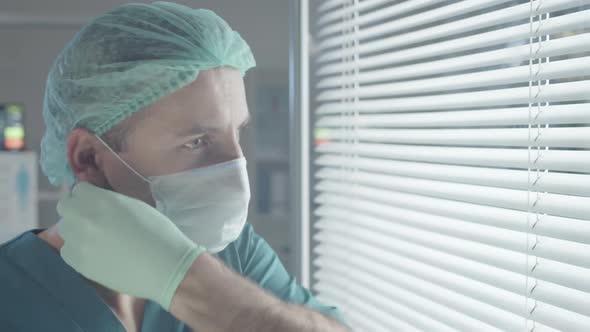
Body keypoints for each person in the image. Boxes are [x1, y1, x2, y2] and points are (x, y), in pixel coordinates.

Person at [0, 2, 349, 331]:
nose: (236, 168)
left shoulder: (229, 253)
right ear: (88, 157)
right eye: (197, 142)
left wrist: (190, 281)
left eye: (238, 133)